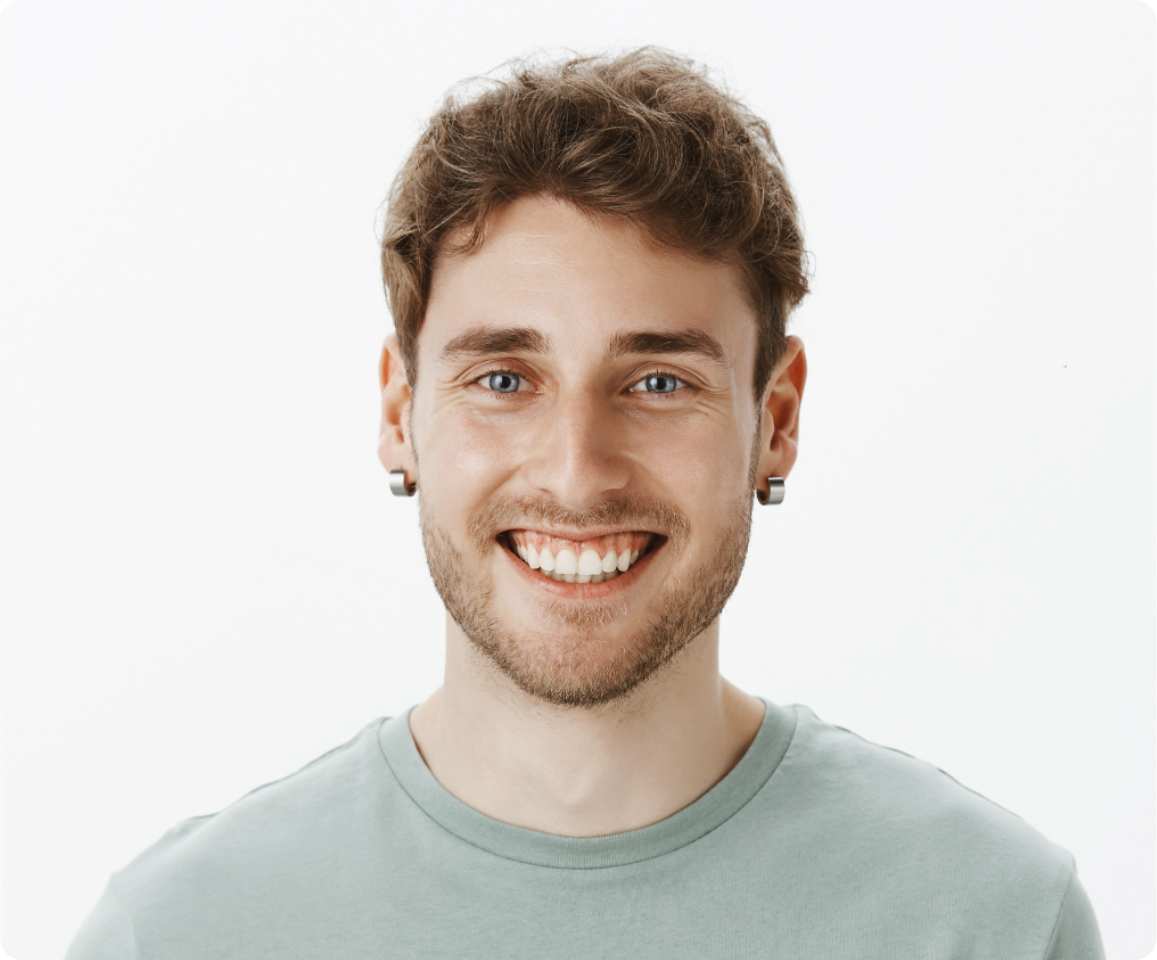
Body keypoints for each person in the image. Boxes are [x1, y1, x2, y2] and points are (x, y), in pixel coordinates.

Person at [65, 45, 1105, 959]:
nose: (575, 473)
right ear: (398, 410)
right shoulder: (181, 935)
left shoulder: (989, 922)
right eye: (502, 379)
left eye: (656, 382)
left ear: (775, 419)